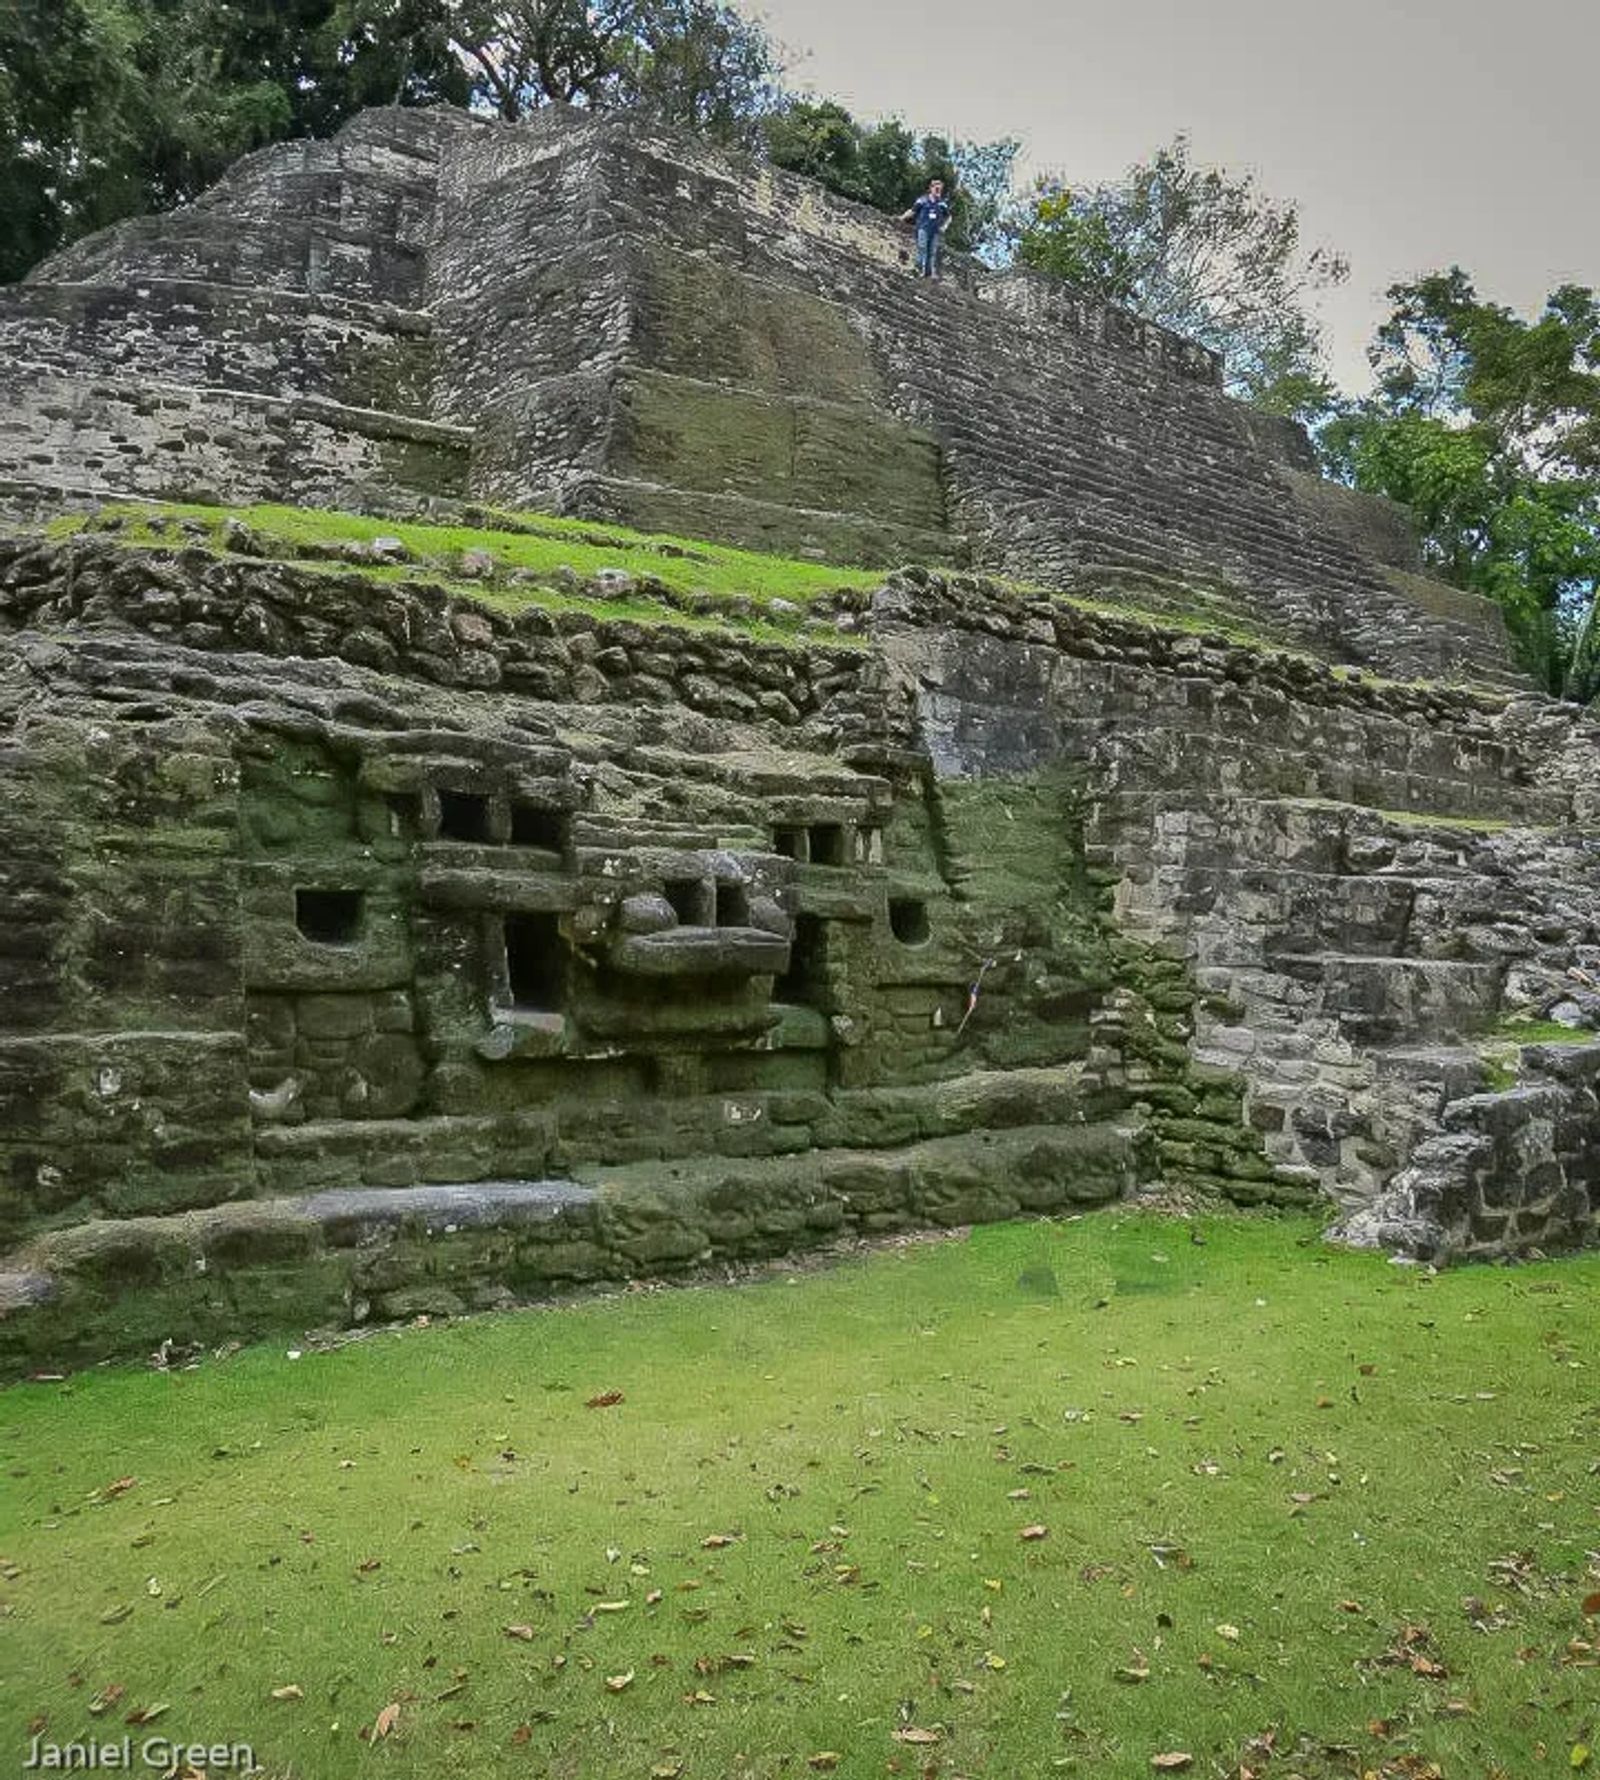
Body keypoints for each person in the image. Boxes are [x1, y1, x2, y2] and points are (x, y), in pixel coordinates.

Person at [902, 178, 952, 279]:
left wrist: (944, 227)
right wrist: (901, 217)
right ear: (931, 188)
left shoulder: (942, 204)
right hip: (923, 228)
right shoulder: (922, 200)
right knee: (922, 248)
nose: (938, 191)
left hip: (935, 231)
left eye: (940, 189)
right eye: (936, 189)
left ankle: (928, 274)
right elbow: (912, 211)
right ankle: (917, 269)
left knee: (932, 252)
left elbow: (949, 217)